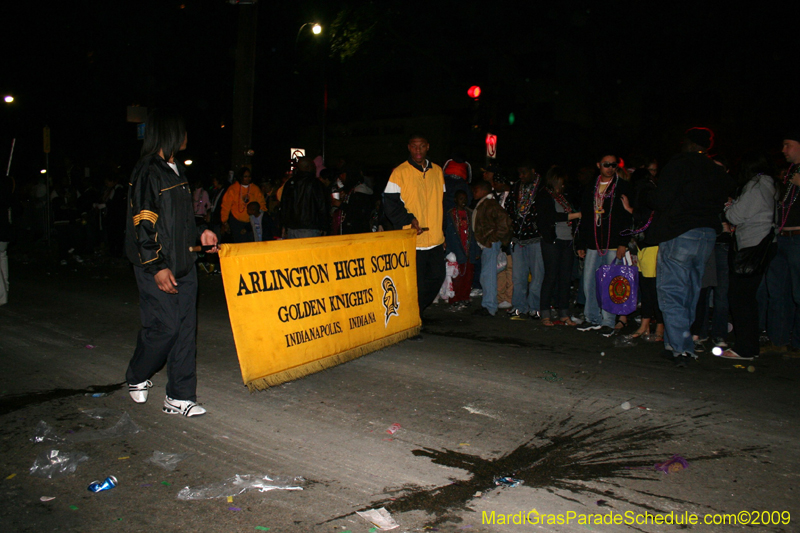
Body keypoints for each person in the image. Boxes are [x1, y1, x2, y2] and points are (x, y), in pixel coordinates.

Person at [125, 108, 218, 417]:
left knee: (185, 329)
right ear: (170, 133)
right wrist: (156, 266)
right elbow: (143, 222)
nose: (187, 137)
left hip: (184, 263)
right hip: (158, 265)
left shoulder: (176, 168)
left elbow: (180, 219)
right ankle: (138, 374)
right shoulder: (148, 170)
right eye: (183, 131)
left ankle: (179, 396)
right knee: (164, 328)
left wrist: (201, 232)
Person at [648, 127, 728, 366]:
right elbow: (726, 191)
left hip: (681, 233)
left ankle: (682, 349)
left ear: (690, 144)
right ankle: (677, 344)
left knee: (672, 291)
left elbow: (662, 199)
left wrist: (647, 197)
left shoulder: (681, 164)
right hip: (706, 235)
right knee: (692, 291)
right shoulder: (713, 168)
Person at [383, 135, 446, 322]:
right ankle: (412, 319)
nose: (418, 150)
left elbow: (442, 203)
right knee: (414, 283)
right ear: (409, 148)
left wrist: (443, 233)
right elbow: (390, 205)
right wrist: (409, 220)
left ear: (428, 147)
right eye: (414, 147)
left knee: (437, 277)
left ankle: (413, 312)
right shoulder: (400, 172)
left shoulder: (438, 171)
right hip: (412, 239)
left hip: (434, 239)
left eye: (422, 147)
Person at [722, 152, 778, 360]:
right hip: (762, 244)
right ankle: (749, 345)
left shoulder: (757, 185)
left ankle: (745, 347)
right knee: (748, 298)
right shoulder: (770, 184)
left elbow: (735, 215)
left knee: (740, 297)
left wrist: (729, 205)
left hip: (752, 246)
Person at [576, 152, 633, 335]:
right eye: (606, 164)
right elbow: (584, 218)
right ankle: (592, 318)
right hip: (593, 242)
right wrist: (580, 244)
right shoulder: (590, 187)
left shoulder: (623, 187)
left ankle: (608, 322)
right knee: (589, 282)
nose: (610, 168)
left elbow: (627, 218)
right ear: (598, 165)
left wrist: (623, 243)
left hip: (614, 243)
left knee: (610, 282)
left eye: (613, 165)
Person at [764, 131, 800, 353]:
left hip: (798, 238)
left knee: (798, 293)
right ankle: (778, 340)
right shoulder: (790, 171)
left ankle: (797, 343)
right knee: (777, 291)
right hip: (782, 237)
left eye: (788, 145)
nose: (784, 150)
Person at [536, 166, 581, 325]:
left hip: (567, 240)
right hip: (553, 241)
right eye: (560, 183)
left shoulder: (563, 197)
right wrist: (575, 215)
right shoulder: (544, 196)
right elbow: (550, 217)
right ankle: (545, 313)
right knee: (551, 276)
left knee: (565, 278)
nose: (562, 186)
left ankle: (564, 313)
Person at [505, 163, 545, 320]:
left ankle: (535, 307)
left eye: (524, 172)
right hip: (518, 238)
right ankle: (519, 306)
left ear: (533, 170)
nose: (521, 176)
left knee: (537, 276)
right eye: (519, 173)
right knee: (518, 276)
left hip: (536, 238)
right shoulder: (516, 188)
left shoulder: (542, 187)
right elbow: (509, 207)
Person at [472, 180, 512, 316]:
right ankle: (489, 305)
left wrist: (493, 239)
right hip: (487, 243)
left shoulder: (489, 204)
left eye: (476, 190)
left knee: (487, 276)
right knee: (487, 275)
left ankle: (489, 307)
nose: (473, 193)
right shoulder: (485, 203)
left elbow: (505, 222)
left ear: (484, 191)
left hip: (489, 243)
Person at [444, 189, 479, 310]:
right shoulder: (450, 215)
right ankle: (455, 299)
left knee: (468, 276)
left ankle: (464, 298)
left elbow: (475, 233)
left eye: (465, 199)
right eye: (460, 199)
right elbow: (446, 233)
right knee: (456, 277)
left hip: (469, 248)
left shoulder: (471, 213)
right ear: (455, 200)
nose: (463, 201)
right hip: (455, 249)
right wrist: (447, 250)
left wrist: (476, 251)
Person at [280, 157, 330, 239]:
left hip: (292, 227)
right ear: (308, 167)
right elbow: (322, 206)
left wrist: (284, 225)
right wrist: (324, 226)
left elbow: (284, 205)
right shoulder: (316, 184)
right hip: (310, 227)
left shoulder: (290, 183)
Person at [221, 167, 267, 243]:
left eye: (249, 176)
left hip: (252, 222)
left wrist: (262, 218)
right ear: (241, 177)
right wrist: (224, 221)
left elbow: (262, 204)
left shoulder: (255, 189)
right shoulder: (233, 189)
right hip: (236, 222)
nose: (248, 179)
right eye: (245, 176)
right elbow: (226, 206)